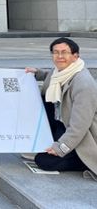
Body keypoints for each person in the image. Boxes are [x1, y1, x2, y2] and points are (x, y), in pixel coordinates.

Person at [25, 38, 97, 178]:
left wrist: (61, 148)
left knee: (44, 161)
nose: (59, 56)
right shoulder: (59, 73)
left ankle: (84, 161)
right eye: (55, 52)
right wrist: (37, 73)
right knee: (44, 100)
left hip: (83, 136)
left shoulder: (84, 84)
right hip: (62, 123)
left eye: (64, 52)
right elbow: (52, 76)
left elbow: (80, 126)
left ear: (75, 56)